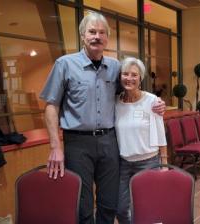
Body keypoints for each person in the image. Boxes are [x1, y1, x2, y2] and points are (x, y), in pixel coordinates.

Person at [39, 12, 165, 224]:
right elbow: (51, 106)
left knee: (109, 202)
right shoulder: (65, 64)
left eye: (102, 33)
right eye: (92, 32)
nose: (97, 37)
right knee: (83, 202)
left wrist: (155, 104)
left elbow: (130, 93)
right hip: (77, 143)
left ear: (107, 38)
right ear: (82, 35)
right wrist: (55, 146)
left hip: (109, 141)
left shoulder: (116, 67)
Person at [115, 57, 168, 224]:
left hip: (148, 162)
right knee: (121, 208)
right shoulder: (116, 102)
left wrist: (164, 163)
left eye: (134, 75)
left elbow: (160, 133)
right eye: (125, 74)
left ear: (140, 78)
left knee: (148, 208)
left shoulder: (152, 101)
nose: (129, 78)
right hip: (123, 164)